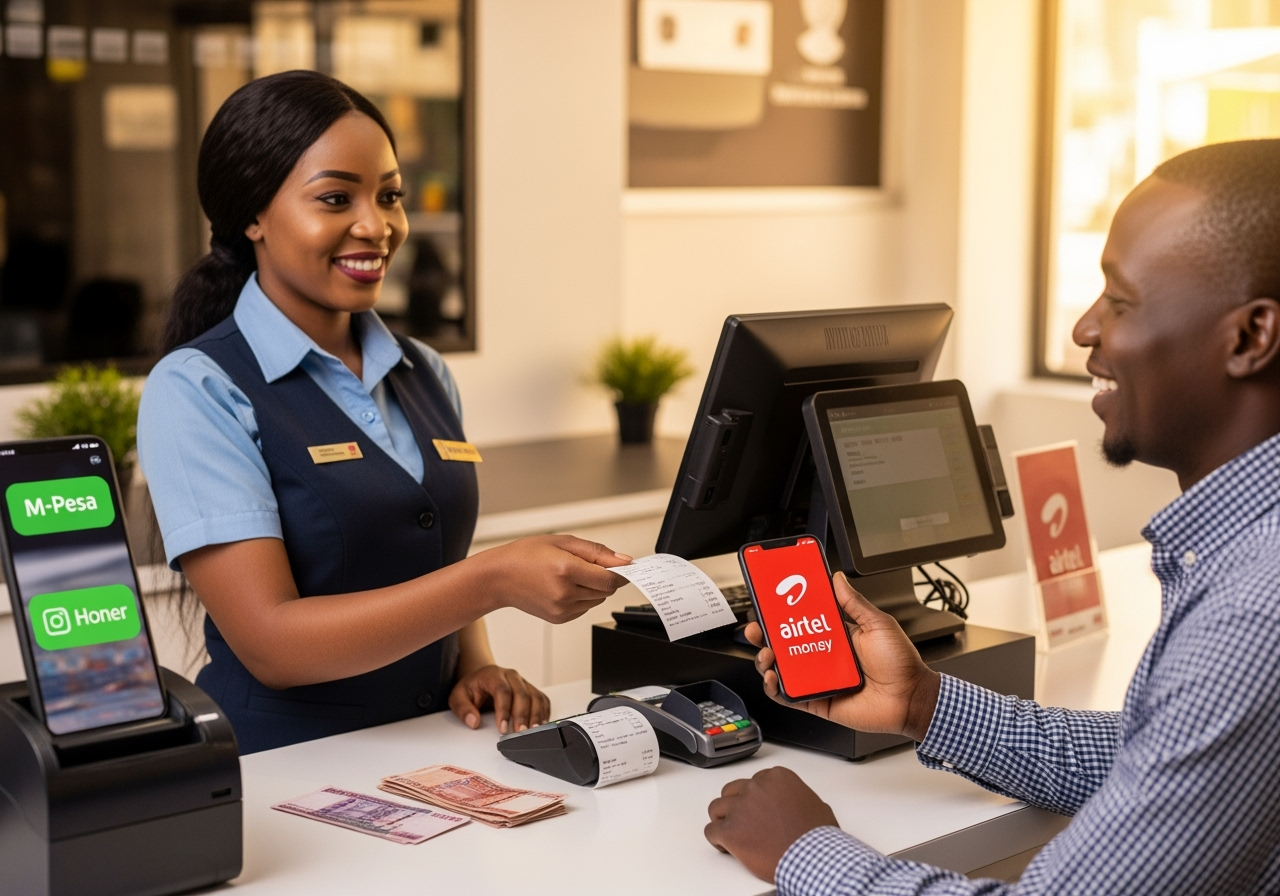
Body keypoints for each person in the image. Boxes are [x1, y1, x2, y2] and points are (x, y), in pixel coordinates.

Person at [703, 138, 1280, 893]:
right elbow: (1170, 761)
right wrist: (924, 703)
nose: (1084, 329)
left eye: (1122, 301)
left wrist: (804, 850)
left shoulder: (1252, 611)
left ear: (1251, 337)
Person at [137, 71, 630, 754]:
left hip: (424, 753)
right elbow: (272, 643)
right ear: (253, 214)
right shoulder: (197, 388)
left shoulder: (423, 370)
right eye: (336, 198)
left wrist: (476, 662)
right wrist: (493, 579)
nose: (377, 225)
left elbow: (430, 549)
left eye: (390, 196)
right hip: (280, 771)